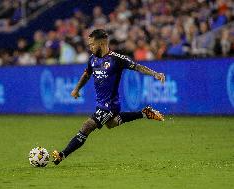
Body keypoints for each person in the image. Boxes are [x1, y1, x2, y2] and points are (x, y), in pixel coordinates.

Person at [52, 29, 165, 165]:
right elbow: (87, 74)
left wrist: (155, 74)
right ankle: (144, 113)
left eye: (92, 44)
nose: (90, 47)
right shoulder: (92, 60)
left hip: (110, 104)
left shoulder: (116, 59)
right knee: (111, 123)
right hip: (101, 103)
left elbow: (137, 67)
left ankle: (62, 154)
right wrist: (76, 89)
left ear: (101, 44)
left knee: (87, 126)